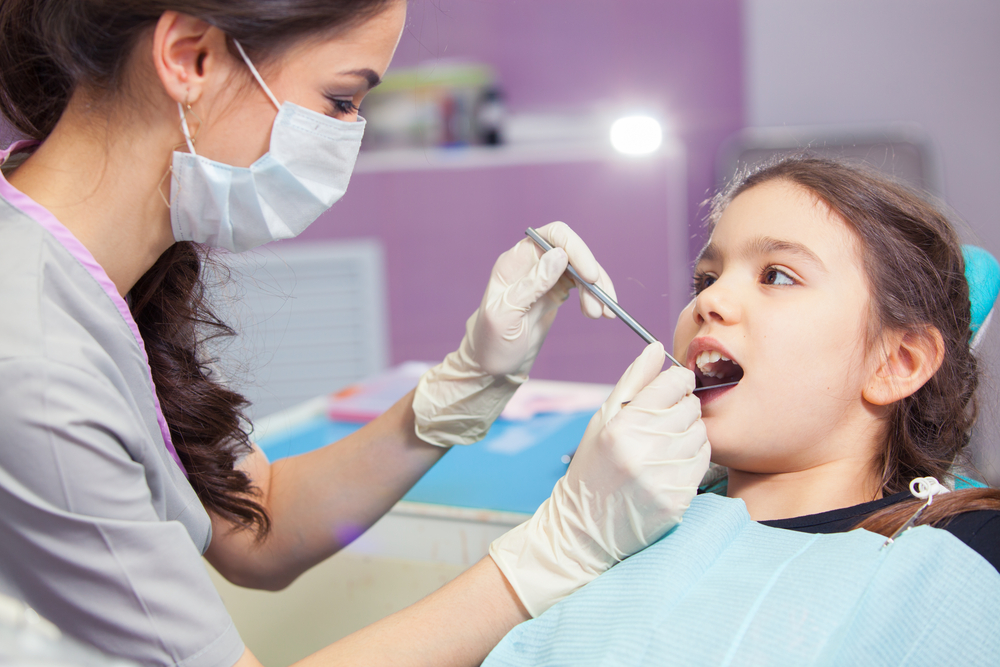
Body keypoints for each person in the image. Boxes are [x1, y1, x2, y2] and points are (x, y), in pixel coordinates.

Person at [0, 1, 711, 666]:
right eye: (340, 100)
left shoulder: (89, 271)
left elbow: (259, 525)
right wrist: (555, 553)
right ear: (192, 59)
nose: (346, 139)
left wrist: (467, 383)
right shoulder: (33, 361)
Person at [482, 155, 1000, 665]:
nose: (710, 301)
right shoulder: (612, 522)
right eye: (706, 279)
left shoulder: (968, 552)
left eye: (776, 276)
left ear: (896, 362)